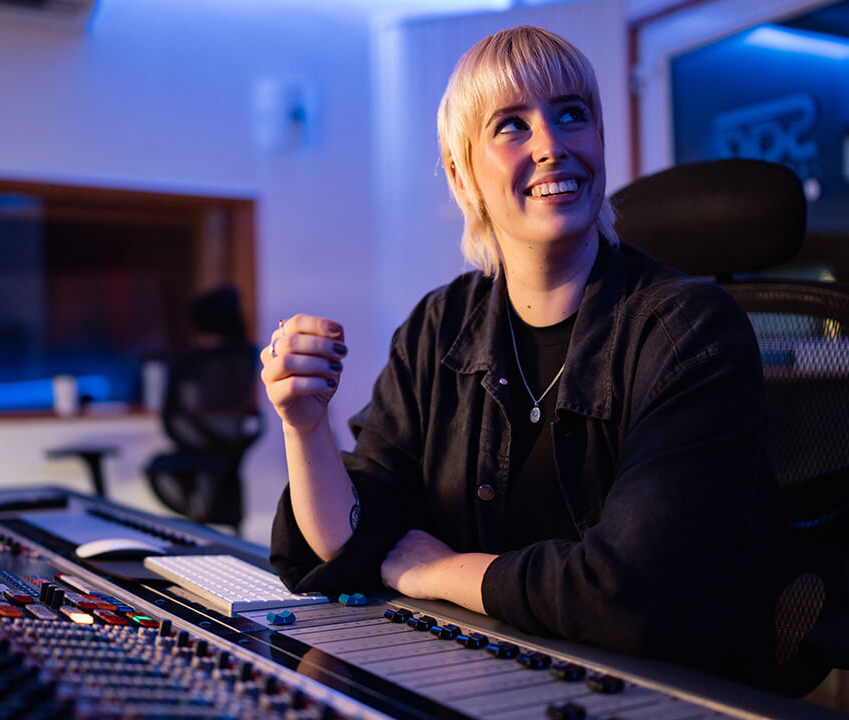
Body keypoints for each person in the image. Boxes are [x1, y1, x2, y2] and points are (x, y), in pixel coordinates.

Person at [261, 25, 804, 688]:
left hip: (667, 691)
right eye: (511, 126)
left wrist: (443, 572)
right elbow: (358, 540)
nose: (552, 146)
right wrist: (305, 425)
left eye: (571, 114)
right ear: (463, 174)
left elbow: (632, 592)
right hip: (494, 673)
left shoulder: (690, 329)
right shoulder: (440, 325)